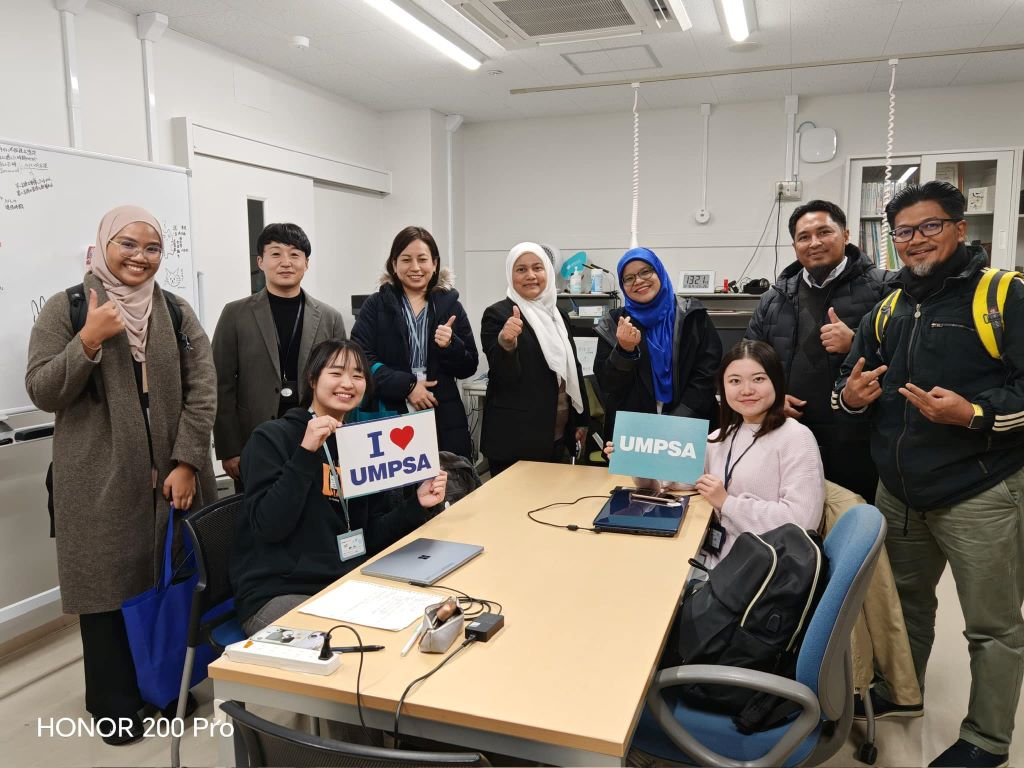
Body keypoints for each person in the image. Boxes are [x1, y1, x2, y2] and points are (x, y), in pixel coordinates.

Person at [835, 181, 1024, 768]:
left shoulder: (1003, 295)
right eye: (904, 233)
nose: (916, 241)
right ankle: (903, 691)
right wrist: (852, 396)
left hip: (979, 490)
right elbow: (847, 380)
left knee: (991, 626)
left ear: (960, 228)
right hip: (901, 492)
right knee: (907, 606)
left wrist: (971, 413)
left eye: (929, 227)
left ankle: (987, 740)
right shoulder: (889, 307)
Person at [25, 206, 217, 745]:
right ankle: (116, 707)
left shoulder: (175, 312)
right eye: (127, 244)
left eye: (152, 248)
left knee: (169, 581)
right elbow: (42, 390)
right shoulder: (69, 308)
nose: (140, 257)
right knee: (108, 592)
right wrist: (87, 341)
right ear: (104, 244)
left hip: (173, 479)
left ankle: (167, 688)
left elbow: (203, 389)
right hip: (98, 481)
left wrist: (187, 462)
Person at [230, 339, 448, 635]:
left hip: (344, 586)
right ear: (312, 379)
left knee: (423, 622)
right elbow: (270, 526)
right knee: (354, 647)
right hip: (279, 592)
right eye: (336, 373)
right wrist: (305, 453)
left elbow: (370, 536)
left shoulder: (357, 445)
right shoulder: (271, 437)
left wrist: (417, 504)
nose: (348, 383)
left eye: (358, 376)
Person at [745, 200, 893, 501]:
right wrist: (770, 399)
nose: (814, 243)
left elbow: (907, 359)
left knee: (853, 525)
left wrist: (855, 343)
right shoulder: (774, 298)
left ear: (846, 234)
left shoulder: (884, 289)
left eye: (824, 232)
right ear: (794, 245)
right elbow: (749, 361)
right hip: (788, 434)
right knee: (794, 525)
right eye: (804, 237)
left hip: (859, 443)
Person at [212, 222, 346, 488]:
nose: (286, 262)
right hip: (255, 437)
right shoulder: (235, 314)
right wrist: (229, 448)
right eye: (276, 254)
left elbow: (343, 382)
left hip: (317, 431)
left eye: (295, 254)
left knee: (318, 510)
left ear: (306, 263)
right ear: (261, 262)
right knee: (260, 515)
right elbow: (220, 383)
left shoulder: (330, 318)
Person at [351, 226, 478, 459]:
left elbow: (469, 365)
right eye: (406, 259)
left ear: (435, 263)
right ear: (394, 264)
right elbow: (360, 359)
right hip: (391, 407)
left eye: (423, 259)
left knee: (447, 482)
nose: (416, 268)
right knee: (398, 485)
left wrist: (451, 345)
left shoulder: (451, 306)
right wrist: (407, 387)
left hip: (443, 410)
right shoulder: (376, 305)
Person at [696, 340, 824, 566]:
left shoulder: (796, 438)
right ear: (723, 388)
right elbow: (676, 481)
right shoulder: (721, 436)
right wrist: (631, 460)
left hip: (763, 573)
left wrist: (728, 503)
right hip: (716, 562)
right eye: (735, 381)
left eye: (758, 379)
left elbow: (801, 523)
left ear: (776, 383)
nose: (746, 390)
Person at [479, 242, 589, 476]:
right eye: (521, 269)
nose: (530, 275)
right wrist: (506, 344)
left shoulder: (558, 315)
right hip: (516, 442)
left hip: (557, 435)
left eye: (537, 268)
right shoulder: (498, 314)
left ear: (547, 271)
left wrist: (581, 420)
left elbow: (573, 369)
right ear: (510, 274)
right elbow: (502, 375)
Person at [594, 247, 721, 439]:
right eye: (628, 278)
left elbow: (707, 375)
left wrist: (676, 421)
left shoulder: (693, 316)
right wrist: (624, 351)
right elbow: (607, 384)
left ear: (659, 272)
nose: (638, 281)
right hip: (635, 433)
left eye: (646, 271)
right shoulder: (614, 323)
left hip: (690, 426)